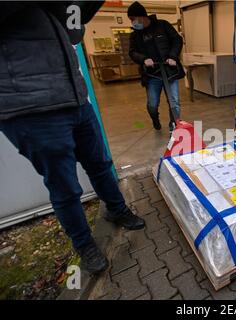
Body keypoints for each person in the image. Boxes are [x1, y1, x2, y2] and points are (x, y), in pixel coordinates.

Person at [0, 1, 145, 275]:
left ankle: (117, 209)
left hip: (77, 100)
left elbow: (74, 34)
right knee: (65, 186)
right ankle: (84, 244)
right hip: (32, 109)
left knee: (101, 165)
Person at [127, 1, 185, 131]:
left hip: (170, 71)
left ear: (142, 16)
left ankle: (174, 125)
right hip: (152, 74)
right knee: (152, 104)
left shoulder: (163, 25)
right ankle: (155, 118)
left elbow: (177, 40)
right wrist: (144, 59)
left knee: (174, 102)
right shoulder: (135, 35)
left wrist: (173, 56)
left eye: (133, 19)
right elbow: (132, 52)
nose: (132, 22)